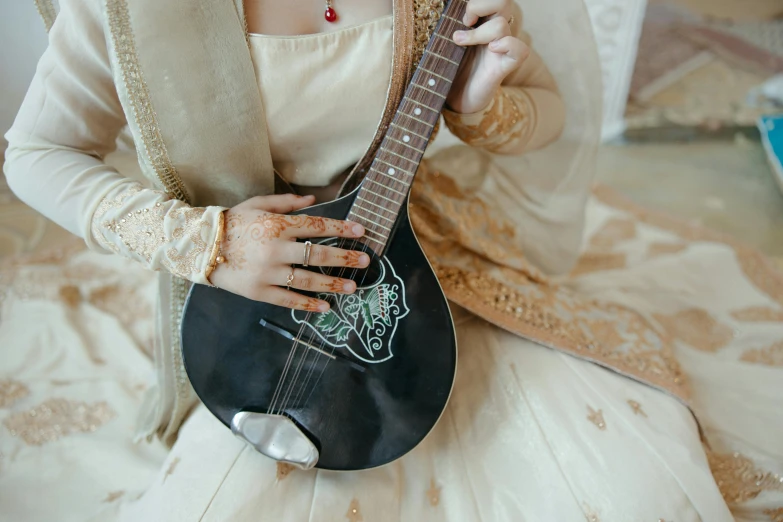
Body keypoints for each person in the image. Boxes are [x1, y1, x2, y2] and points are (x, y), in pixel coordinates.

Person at [2, 0, 781, 520]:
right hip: (247, 299)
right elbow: (36, 152)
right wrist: (205, 244)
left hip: (418, 259)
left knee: (628, 487)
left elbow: (546, 118)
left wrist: (482, 103)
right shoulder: (132, 11)